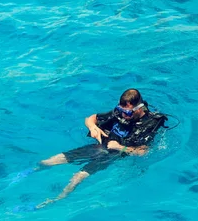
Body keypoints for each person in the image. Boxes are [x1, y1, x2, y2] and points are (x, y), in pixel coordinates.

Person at [33, 88, 168, 209]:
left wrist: (121, 147)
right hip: (98, 146)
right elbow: (91, 118)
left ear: (139, 108)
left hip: (111, 155)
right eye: (121, 110)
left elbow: (144, 152)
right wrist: (93, 127)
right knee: (49, 161)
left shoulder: (150, 123)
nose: (124, 115)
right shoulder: (119, 113)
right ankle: (28, 172)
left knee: (77, 177)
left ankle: (57, 199)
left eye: (128, 112)